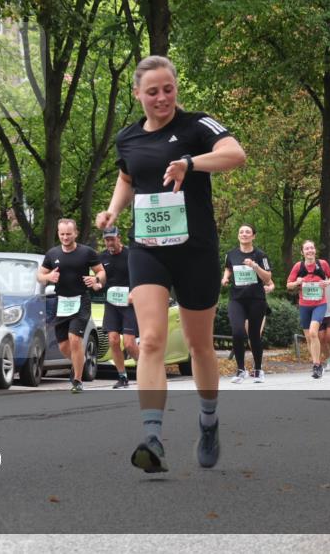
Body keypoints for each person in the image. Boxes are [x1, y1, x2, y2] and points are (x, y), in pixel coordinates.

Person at [96, 55, 246, 473]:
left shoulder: (198, 126)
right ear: (137, 94)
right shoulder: (127, 138)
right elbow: (128, 177)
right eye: (152, 91)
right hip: (147, 248)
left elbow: (236, 154)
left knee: (199, 345)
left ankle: (209, 421)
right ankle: (152, 437)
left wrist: (191, 163)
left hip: (195, 249)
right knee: (151, 340)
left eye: (168, 89)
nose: (162, 98)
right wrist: (111, 211)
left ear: (176, 88)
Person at [37, 218, 105, 394]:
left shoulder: (87, 253)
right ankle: (78, 364)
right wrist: (48, 277)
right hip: (61, 302)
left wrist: (96, 279)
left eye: (68, 234)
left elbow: (102, 272)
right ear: (58, 234)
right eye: (62, 234)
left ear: (75, 233)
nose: (65, 237)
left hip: (81, 300)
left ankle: (77, 380)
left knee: (75, 339)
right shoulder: (52, 254)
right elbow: (39, 276)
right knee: (63, 346)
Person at [221, 224, 273, 384]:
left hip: (256, 299)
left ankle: (258, 369)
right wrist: (225, 277)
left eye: (247, 232)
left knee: (254, 335)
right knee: (237, 332)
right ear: (238, 236)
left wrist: (255, 266)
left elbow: (267, 277)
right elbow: (229, 268)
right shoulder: (231, 254)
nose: (244, 234)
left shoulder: (260, 254)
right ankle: (240, 370)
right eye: (241, 232)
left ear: (253, 236)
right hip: (237, 299)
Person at [96, 226, 139, 388]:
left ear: (119, 238)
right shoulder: (102, 257)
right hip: (112, 303)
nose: (109, 243)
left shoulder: (130, 255)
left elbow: (140, 276)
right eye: (107, 240)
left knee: (129, 343)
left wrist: (134, 293)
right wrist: (97, 284)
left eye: (112, 239)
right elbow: (101, 278)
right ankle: (122, 377)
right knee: (113, 340)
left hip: (129, 303)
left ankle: (145, 369)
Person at [286, 241, 330, 379]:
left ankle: (317, 365)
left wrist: (327, 282)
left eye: (312, 248)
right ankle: (317, 363)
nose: (310, 250)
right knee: (309, 338)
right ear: (302, 252)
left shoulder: (323, 264)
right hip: (304, 305)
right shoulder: (298, 266)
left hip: (320, 304)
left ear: (315, 250)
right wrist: (297, 282)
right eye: (306, 249)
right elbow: (289, 285)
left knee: (314, 333)